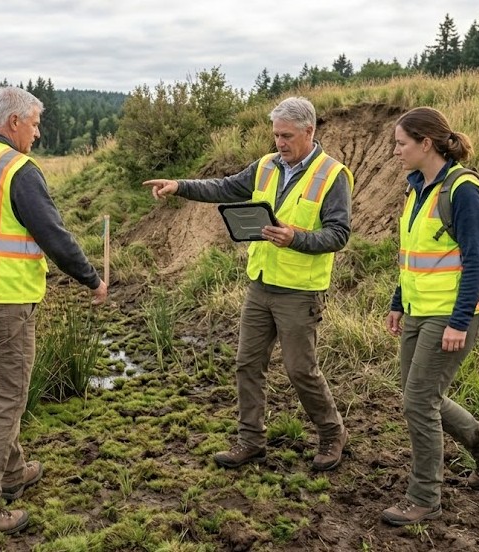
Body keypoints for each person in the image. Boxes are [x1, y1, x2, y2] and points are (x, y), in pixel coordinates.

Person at [0, 86, 108, 542]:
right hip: (3, 302)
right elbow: (54, 235)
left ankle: (11, 472)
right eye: (34, 124)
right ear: (13, 123)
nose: (37, 133)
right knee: (5, 402)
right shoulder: (16, 169)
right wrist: (91, 279)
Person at [143, 96, 353, 472]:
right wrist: (179, 186)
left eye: (287, 136)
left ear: (309, 131)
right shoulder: (266, 166)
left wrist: (295, 237)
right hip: (260, 284)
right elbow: (224, 188)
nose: (280, 143)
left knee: (300, 370)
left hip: (299, 290)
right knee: (247, 364)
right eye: (276, 135)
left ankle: (332, 433)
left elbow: (339, 234)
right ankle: (250, 440)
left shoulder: (332, 175)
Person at [382, 106, 479, 526]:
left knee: (419, 403)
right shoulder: (417, 188)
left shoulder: (463, 190)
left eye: (401, 144)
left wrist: (459, 322)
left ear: (426, 144)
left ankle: (425, 497)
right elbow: (412, 254)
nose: (395, 151)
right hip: (418, 310)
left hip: (451, 314)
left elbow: (476, 263)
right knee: (421, 397)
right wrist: (398, 301)